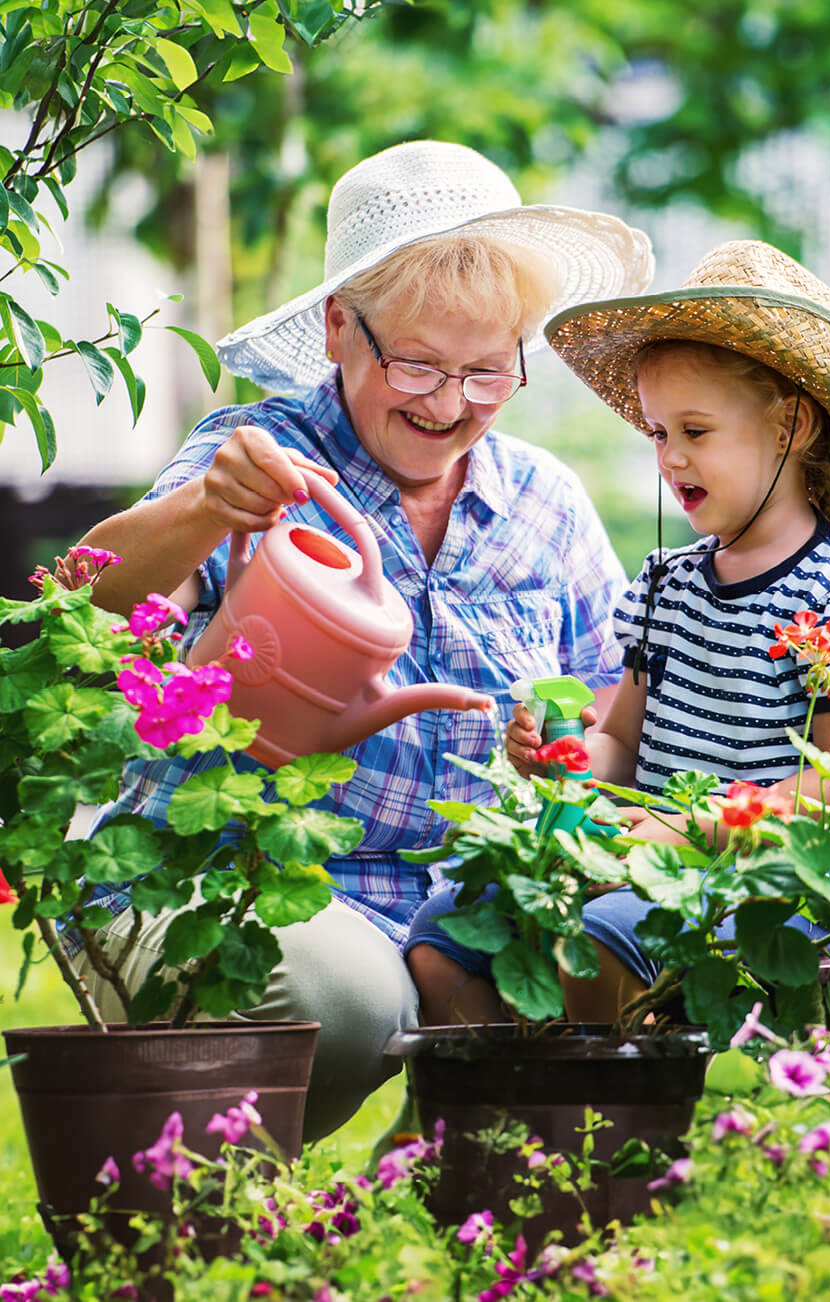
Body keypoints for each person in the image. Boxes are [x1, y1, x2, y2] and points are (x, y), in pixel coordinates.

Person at [72, 139, 654, 1139]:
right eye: (418, 364)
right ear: (341, 324)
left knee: (613, 950)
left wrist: (565, 762)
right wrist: (209, 511)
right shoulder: (255, 460)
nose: (446, 405)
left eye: (486, 373)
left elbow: (608, 716)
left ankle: (452, 1202)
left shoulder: (542, 505)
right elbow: (84, 608)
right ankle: (191, 1216)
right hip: (234, 873)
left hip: (457, 900)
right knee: (346, 1002)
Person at [405, 238, 830, 1026]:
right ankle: (515, 1120)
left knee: (592, 940)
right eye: (656, 432)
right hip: (646, 858)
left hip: (772, 879)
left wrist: (689, 826)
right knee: (441, 933)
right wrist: (565, 760)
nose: (670, 457)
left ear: (790, 425)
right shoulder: (666, 585)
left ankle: (617, 1129)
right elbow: (622, 742)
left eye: (696, 430)